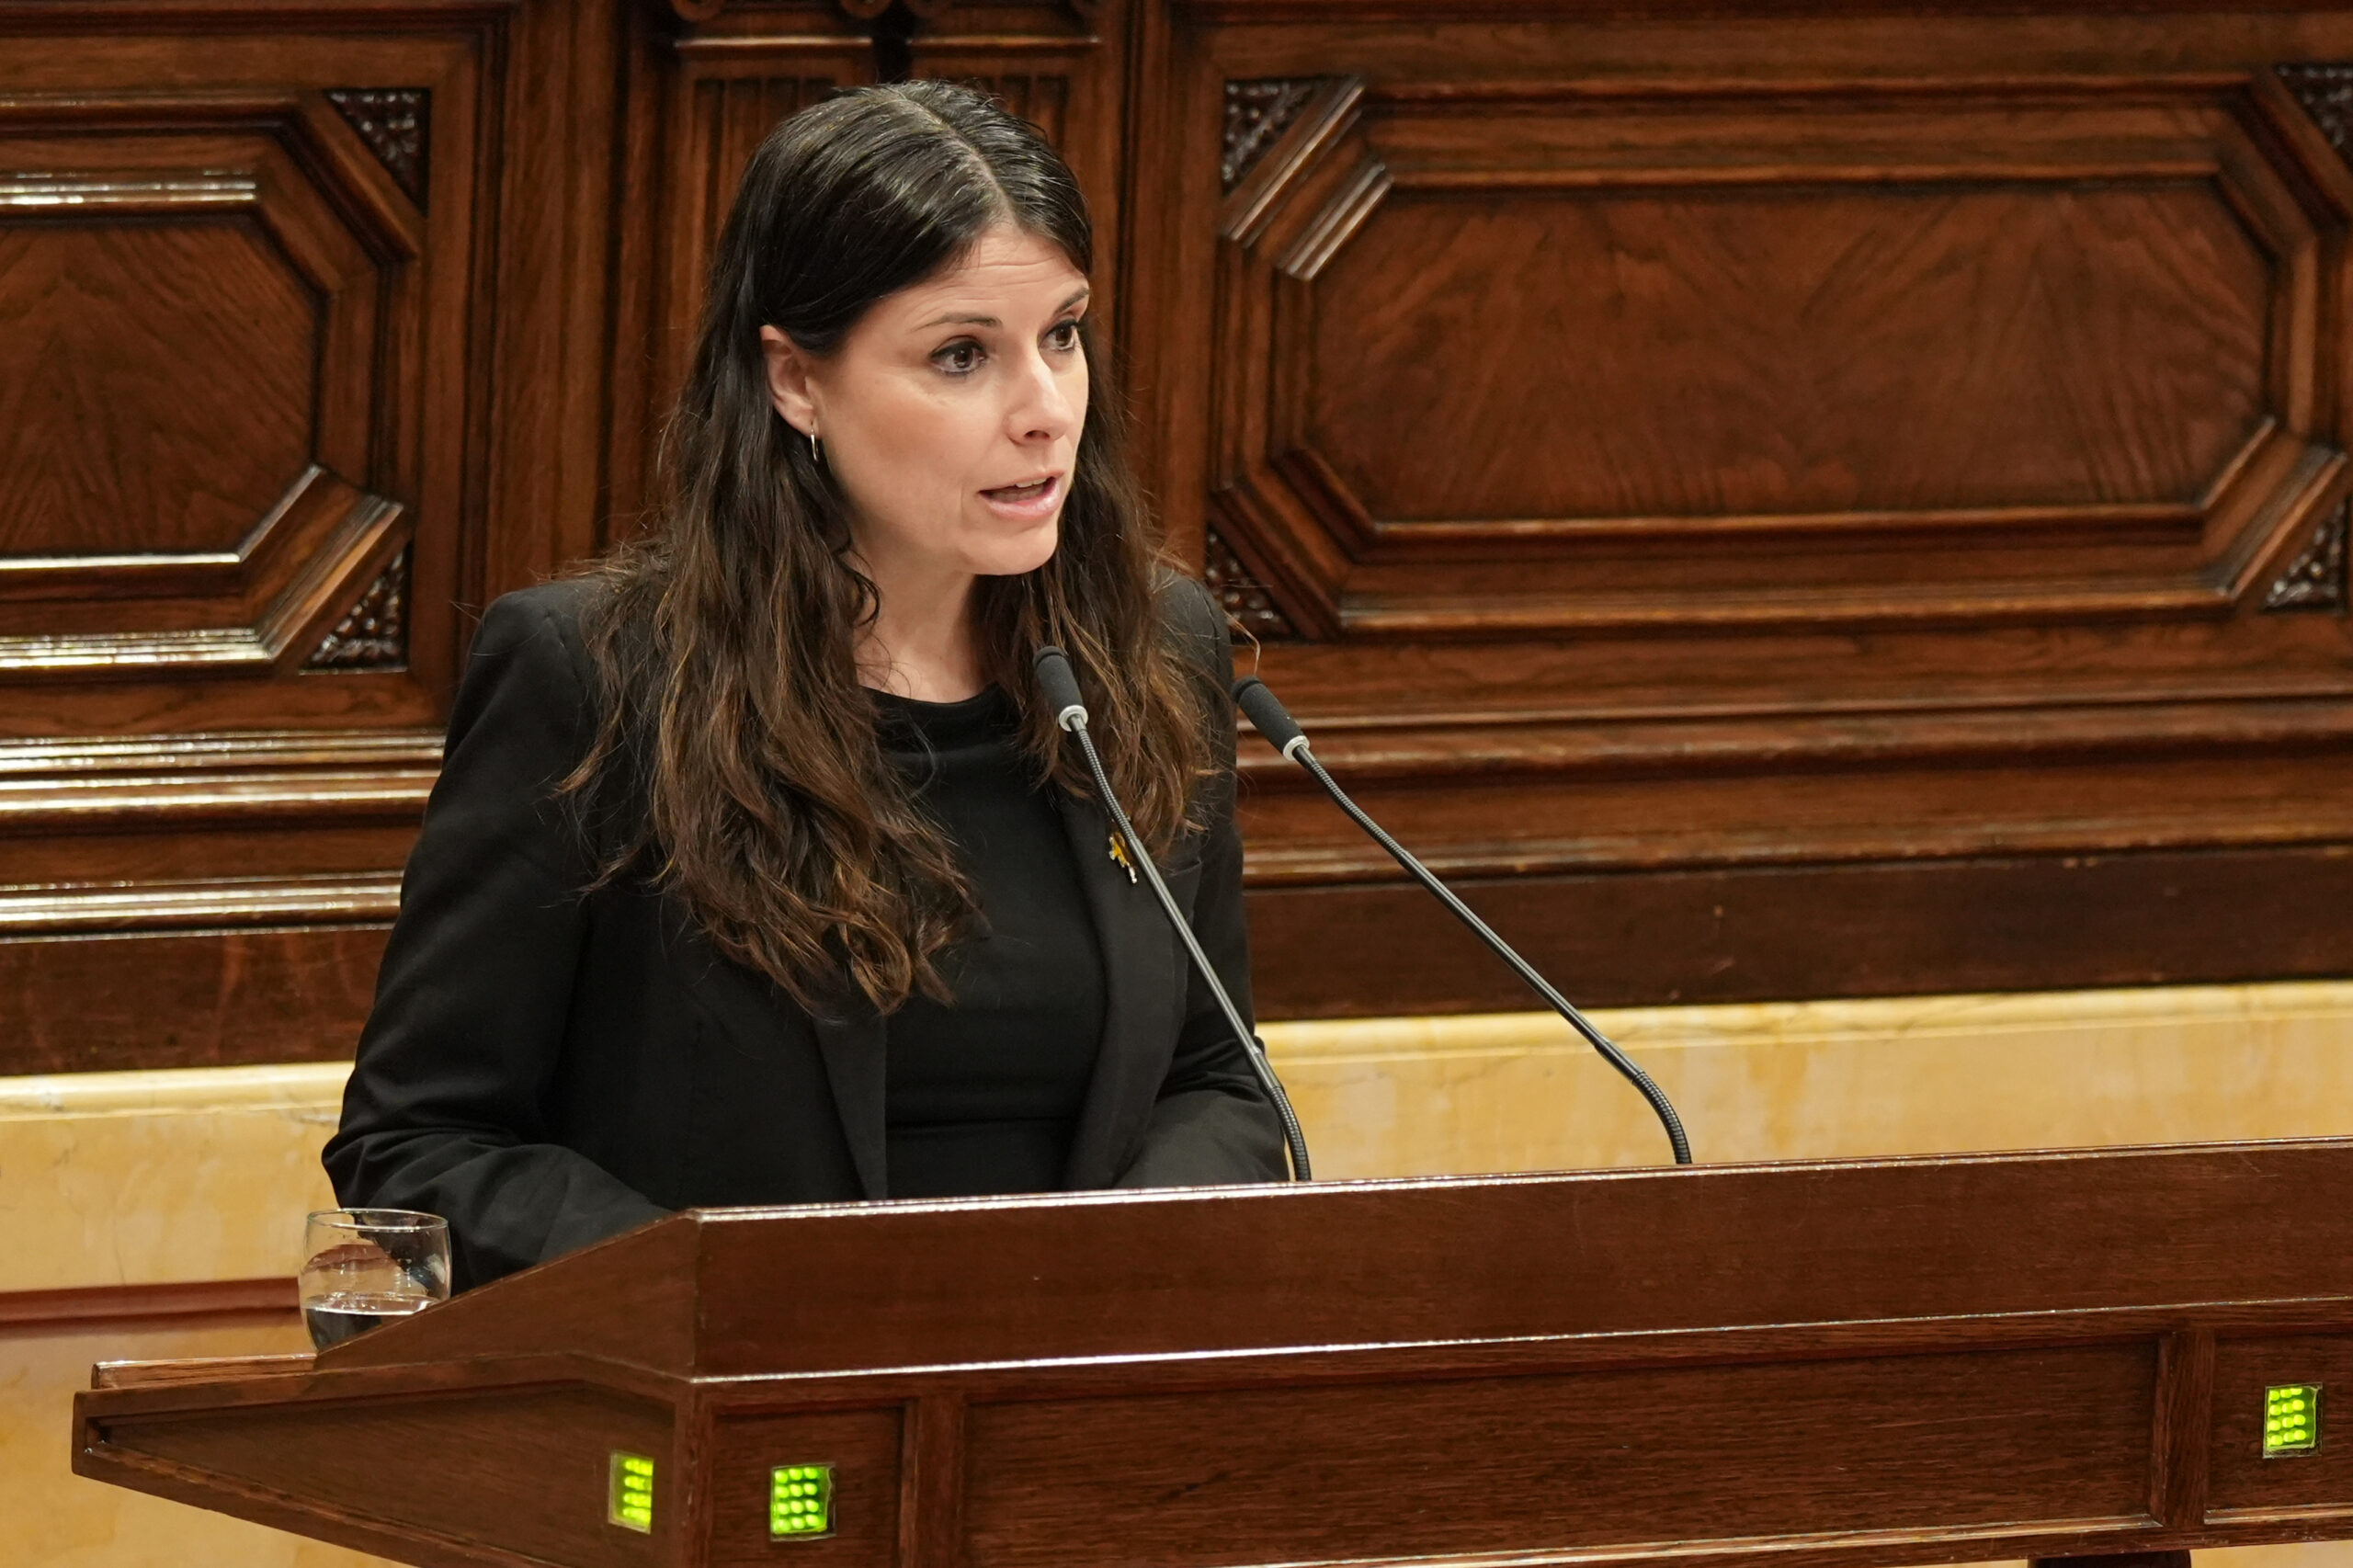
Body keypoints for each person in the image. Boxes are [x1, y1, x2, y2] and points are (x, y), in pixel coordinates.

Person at [323, 81, 1287, 1291]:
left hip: (1074, 1375)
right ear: (794, 380)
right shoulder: (601, 678)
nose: (1047, 411)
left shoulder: (1153, 653)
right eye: (962, 355)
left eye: (1063, 334)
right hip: (741, 1386)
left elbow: (1217, 1074)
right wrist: (744, 1297)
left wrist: (1102, 1271)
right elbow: (420, 1146)